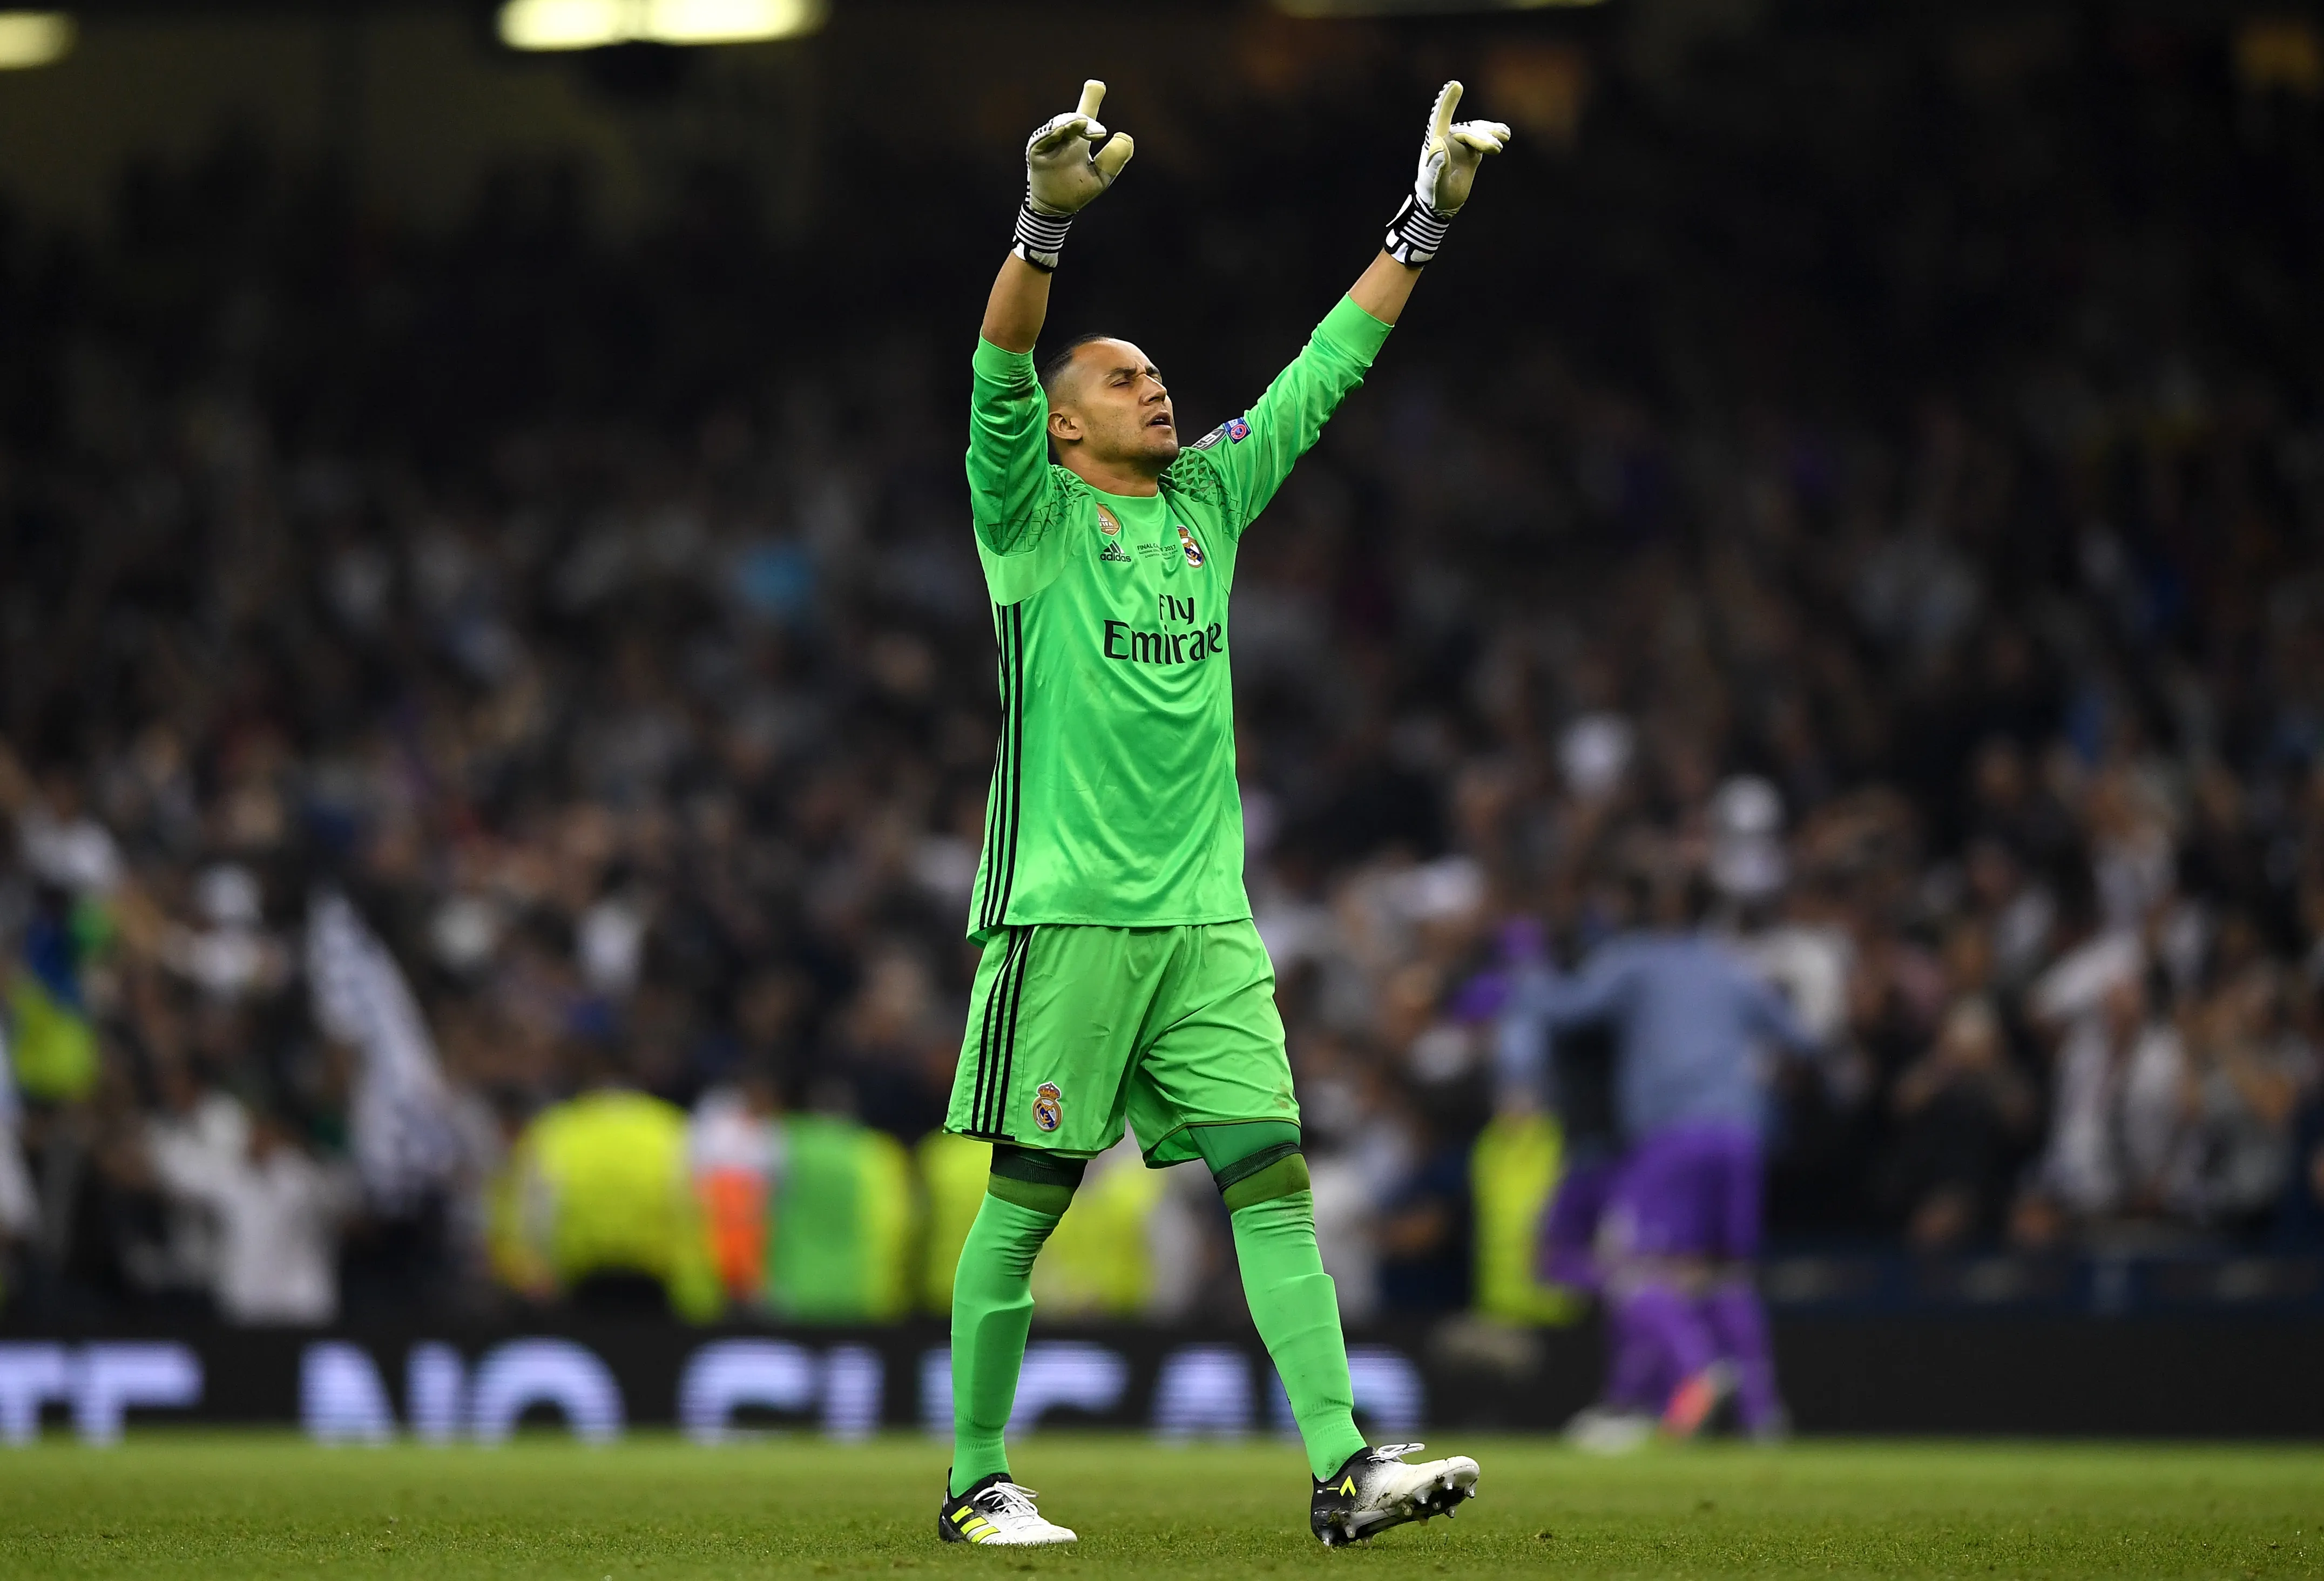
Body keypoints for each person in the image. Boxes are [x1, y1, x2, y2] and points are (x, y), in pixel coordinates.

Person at [936, 79, 1507, 1549]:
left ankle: (1341, 1465)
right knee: (1031, 1196)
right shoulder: (1031, 515)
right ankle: (975, 1478)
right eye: (1121, 381)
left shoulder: (1208, 502)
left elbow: (1329, 366)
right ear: (1065, 430)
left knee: (1273, 1172)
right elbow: (1001, 361)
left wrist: (1430, 212)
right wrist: (1040, 228)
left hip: (1203, 917)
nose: (1155, 388)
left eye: (1155, 374)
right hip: (1065, 908)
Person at [1530, 874, 1819, 1442]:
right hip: (1739, 1134)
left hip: (1672, 1134)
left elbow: (1566, 1009)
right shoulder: (1734, 970)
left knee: (1633, 1267)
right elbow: (1801, 1041)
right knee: (1725, 1275)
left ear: (1661, 906)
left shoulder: (1636, 962)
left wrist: (1525, 971)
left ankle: (1695, 1376)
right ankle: (1763, 1415)